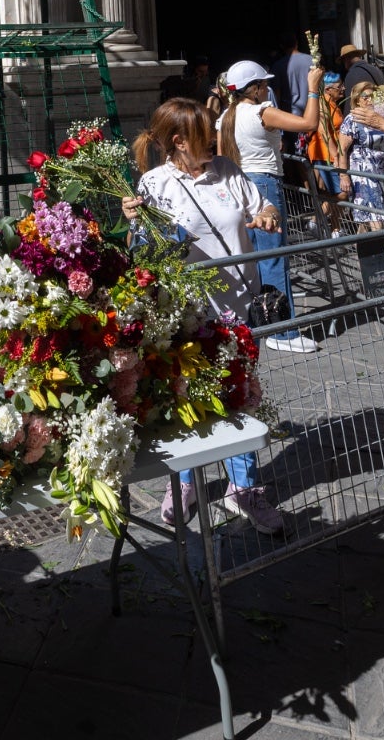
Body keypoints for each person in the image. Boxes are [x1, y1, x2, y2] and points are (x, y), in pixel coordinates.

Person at [123, 99, 285, 536]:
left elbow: (259, 209)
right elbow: (145, 254)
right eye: (204, 134)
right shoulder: (154, 184)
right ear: (178, 142)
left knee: (241, 394)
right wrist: (135, 225)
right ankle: (186, 483)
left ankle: (244, 488)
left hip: (239, 307)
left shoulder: (228, 171)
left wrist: (266, 217)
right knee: (184, 400)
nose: (214, 139)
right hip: (189, 316)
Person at [217, 58, 322, 352]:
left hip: (237, 184)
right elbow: (309, 124)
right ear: (255, 88)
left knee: (250, 258)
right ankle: (283, 331)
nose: (267, 89)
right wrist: (312, 89)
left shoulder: (226, 115)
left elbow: (222, 158)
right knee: (274, 257)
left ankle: (255, 324)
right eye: (264, 84)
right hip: (263, 183)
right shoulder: (261, 111)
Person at [338, 82, 384, 231]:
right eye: (365, 97)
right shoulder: (352, 119)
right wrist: (344, 176)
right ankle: (382, 251)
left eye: (372, 96)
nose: (370, 100)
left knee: (366, 217)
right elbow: (342, 148)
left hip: (381, 171)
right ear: (357, 100)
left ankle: (363, 250)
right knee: (376, 215)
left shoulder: (379, 117)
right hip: (364, 173)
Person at [306, 71, 345, 235]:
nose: (343, 88)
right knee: (342, 194)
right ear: (328, 89)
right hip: (324, 153)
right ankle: (317, 221)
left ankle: (334, 228)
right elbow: (323, 132)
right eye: (339, 86)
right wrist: (336, 155)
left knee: (336, 193)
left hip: (331, 153)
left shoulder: (334, 104)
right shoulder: (322, 104)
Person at [270, 33, 313, 117]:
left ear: (282, 46)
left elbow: (277, 95)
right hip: (312, 109)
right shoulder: (312, 60)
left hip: (290, 115)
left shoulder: (278, 66)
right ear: (296, 43)